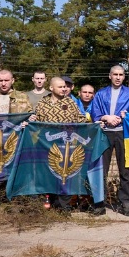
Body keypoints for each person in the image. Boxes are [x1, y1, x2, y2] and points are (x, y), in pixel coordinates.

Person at [29, 77, 89, 210]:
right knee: (48, 175)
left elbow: (80, 119)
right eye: (60, 87)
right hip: (46, 146)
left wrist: (92, 125)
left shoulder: (71, 103)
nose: (64, 89)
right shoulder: (42, 103)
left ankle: (63, 206)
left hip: (66, 147)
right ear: (51, 88)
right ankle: (47, 203)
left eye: (65, 87)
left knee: (65, 175)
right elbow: (36, 124)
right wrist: (32, 120)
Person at [89, 64, 129, 216]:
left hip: (123, 134)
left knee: (125, 171)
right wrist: (105, 117)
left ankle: (126, 204)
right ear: (110, 76)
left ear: (124, 77)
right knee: (101, 169)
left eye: (121, 75)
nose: (118, 77)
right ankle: (99, 203)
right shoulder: (101, 93)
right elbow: (94, 111)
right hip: (104, 134)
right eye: (115, 74)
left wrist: (125, 117)